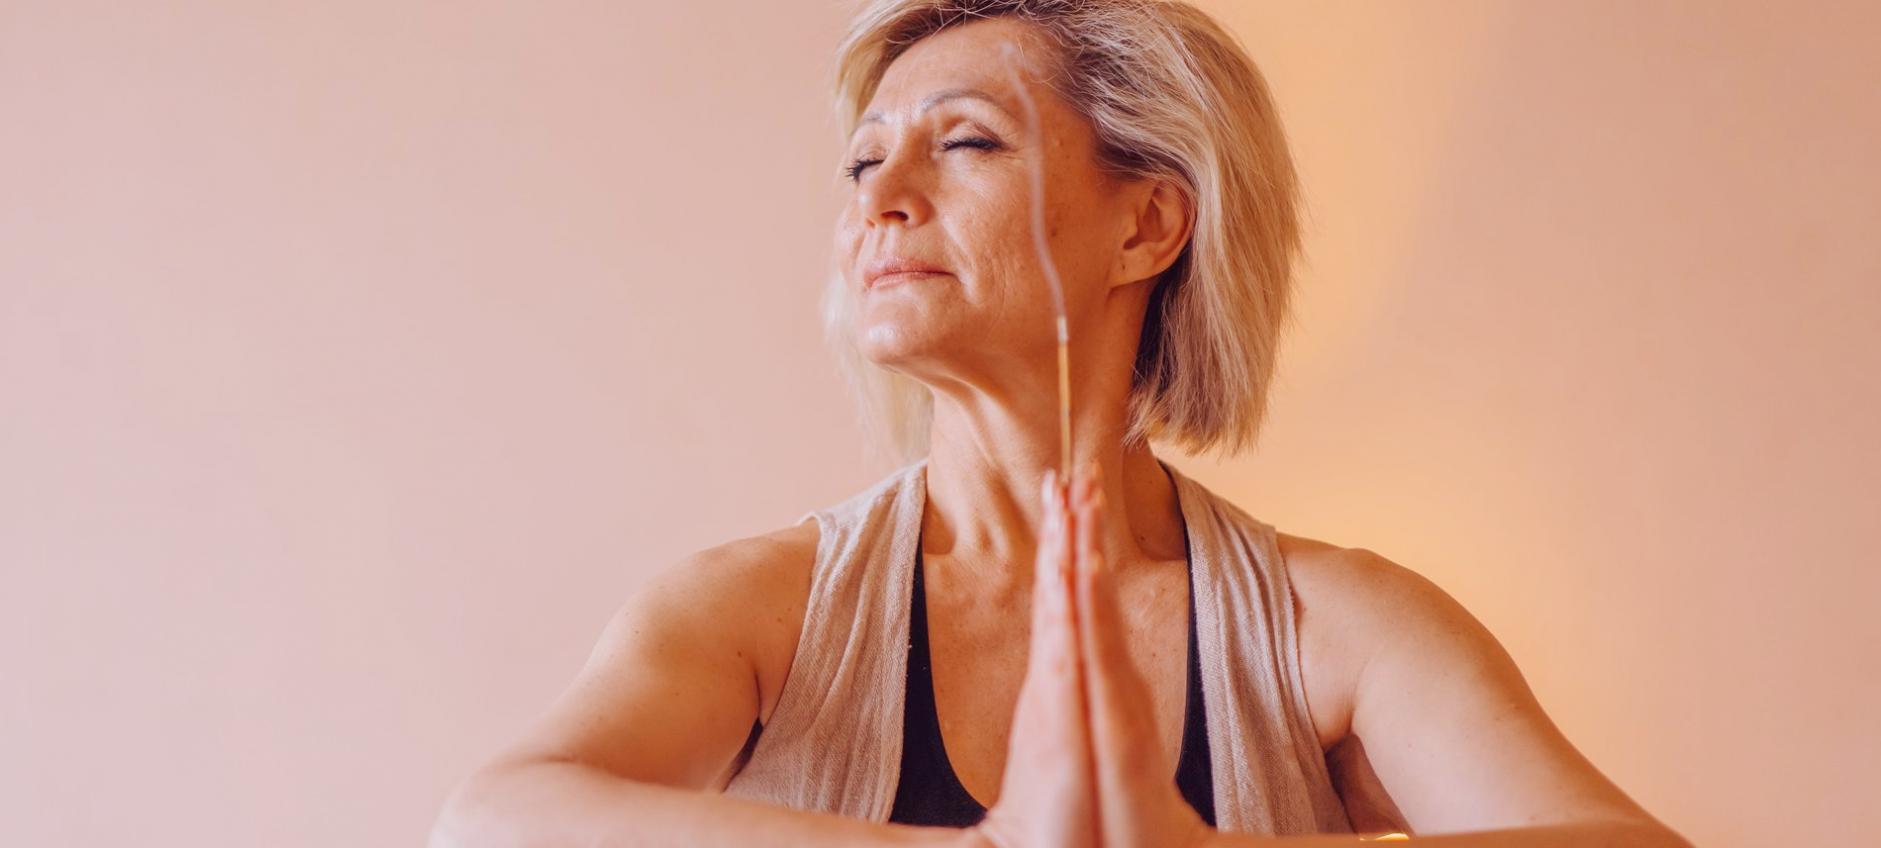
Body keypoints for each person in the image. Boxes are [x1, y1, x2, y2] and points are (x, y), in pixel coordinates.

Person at [429, 2, 1692, 846]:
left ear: (1146, 224)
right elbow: (493, 817)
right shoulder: (759, 610)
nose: (884, 199)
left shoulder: (1333, 626)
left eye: (962, 141)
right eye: (864, 162)